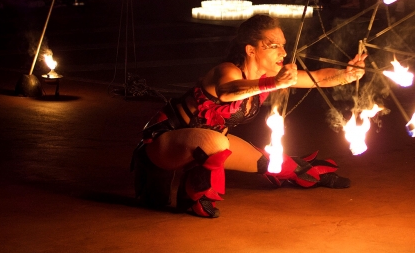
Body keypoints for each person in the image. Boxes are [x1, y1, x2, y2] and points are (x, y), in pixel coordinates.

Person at [130, 15, 368, 218]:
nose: (283, 52)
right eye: (273, 45)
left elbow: (316, 77)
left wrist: (347, 75)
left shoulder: (271, 75)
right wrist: (273, 82)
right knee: (217, 143)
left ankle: (310, 175)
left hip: (209, 145)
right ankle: (191, 194)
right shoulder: (228, 71)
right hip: (164, 144)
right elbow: (228, 91)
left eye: (283, 45)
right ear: (250, 49)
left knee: (270, 163)